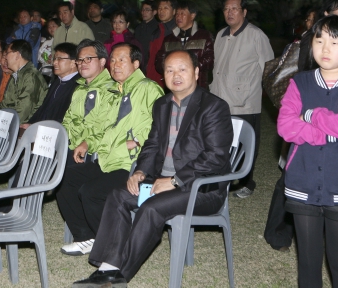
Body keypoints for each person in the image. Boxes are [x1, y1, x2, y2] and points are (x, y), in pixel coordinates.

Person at [73, 50, 233, 287]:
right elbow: (152, 144)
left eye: (182, 69)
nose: (175, 75)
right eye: (169, 70)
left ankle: (118, 276)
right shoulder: (162, 104)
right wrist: (141, 171)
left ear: (197, 72)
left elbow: (215, 157)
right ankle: (108, 266)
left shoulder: (213, 107)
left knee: (151, 208)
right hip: (161, 181)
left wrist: (175, 180)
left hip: (202, 188)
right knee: (118, 196)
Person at [58, 43, 163, 256]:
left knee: (90, 193)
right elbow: (102, 128)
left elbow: (161, 128)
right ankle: (86, 236)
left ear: (135, 63)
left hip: (132, 164)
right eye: (113, 60)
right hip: (108, 160)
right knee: (65, 179)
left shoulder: (148, 89)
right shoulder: (114, 92)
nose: (115, 65)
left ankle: (116, 245)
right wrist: (89, 143)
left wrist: (139, 142)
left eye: (121, 60)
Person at [276, 15, 338, 287]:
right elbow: (285, 126)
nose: (325, 49)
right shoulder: (300, 83)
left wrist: (313, 114)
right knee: (308, 263)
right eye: (319, 40)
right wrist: (327, 132)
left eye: (335, 41)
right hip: (302, 183)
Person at [210, 0, 274, 199]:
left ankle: (247, 182)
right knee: (221, 142)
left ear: (244, 12)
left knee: (246, 144)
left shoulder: (256, 35)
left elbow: (270, 68)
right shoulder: (220, 35)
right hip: (219, 98)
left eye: (234, 8)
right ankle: (222, 180)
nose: (230, 12)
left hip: (244, 101)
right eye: (226, 9)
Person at [62, 39, 115, 167]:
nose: (82, 63)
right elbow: (68, 120)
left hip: (91, 152)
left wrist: (87, 143)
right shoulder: (80, 88)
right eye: (80, 60)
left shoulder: (111, 90)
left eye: (88, 58)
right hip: (69, 146)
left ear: (102, 61)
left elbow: (106, 129)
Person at [154, 1, 214, 88]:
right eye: (177, 14)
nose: (179, 17)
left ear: (192, 15)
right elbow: (159, 62)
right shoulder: (169, 39)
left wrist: (188, 67)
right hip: (174, 88)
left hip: (198, 86)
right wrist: (171, 69)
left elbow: (210, 60)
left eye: (182, 14)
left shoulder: (204, 36)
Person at [21, 42, 80, 129]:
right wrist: (31, 123)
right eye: (55, 58)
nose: (55, 62)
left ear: (73, 63)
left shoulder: (78, 86)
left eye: (60, 59)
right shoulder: (57, 82)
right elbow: (44, 107)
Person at [0, 39, 48, 123]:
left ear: (17, 55)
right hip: (12, 120)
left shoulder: (31, 76)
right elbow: (5, 104)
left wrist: (4, 122)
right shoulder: (16, 75)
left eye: (8, 53)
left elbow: (24, 110)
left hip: (26, 124)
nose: (6, 57)